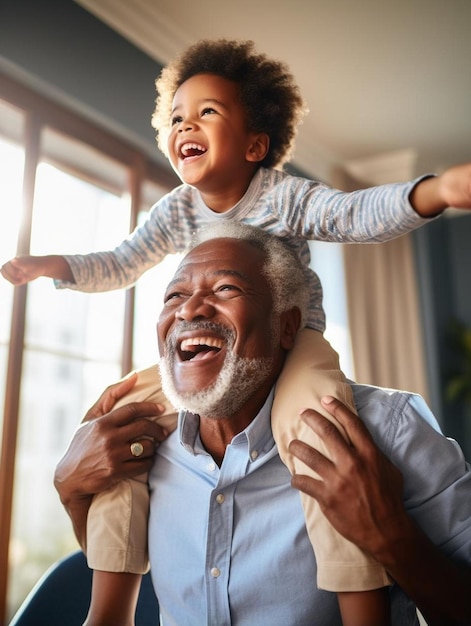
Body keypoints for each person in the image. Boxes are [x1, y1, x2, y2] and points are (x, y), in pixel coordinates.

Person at [4, 37, 471, 623]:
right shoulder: (177, 210)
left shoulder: (280, 195)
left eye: (207, 112)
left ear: (256, 144)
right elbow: (123, 261)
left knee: (323, 439)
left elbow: (352, 215)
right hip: (219, 360)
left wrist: (436, 193)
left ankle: (361, 605)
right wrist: (61, 269)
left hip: (296, 352)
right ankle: (108, 611)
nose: (185, 125)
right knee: (118, 420)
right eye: (177, 116)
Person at [54, 222, 471, 626]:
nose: (190, 309)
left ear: (286, 325)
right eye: (175, 294)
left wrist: (392, 536)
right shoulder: (133, 446)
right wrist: (71, 493)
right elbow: (120, 568)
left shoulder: (389, 427)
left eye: (226, 288)